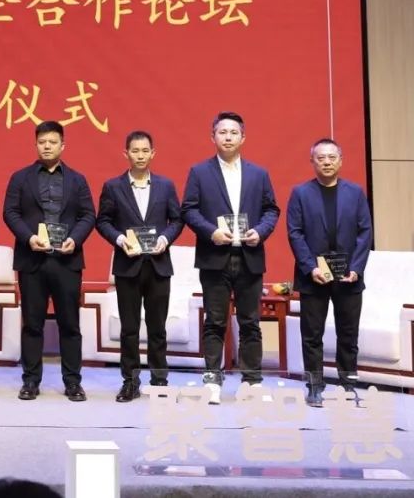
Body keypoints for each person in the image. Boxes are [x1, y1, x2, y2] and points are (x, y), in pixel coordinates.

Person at [181, 110, 280, 404]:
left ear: (243, 138)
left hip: (249, 255)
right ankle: (212, 380)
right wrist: (211, 232)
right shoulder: (199, 172)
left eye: (233, 132)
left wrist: (260, 231)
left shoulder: (258, 174)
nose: (228, 137)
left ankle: (252, 381)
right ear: (212, 137)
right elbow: (189, 210)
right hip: (215, 256)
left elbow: (271, 210)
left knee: (250, 322)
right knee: (214, 321)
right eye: (222, 132)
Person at [4, 120, 96, 402]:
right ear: (36, 145)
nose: (47, 146)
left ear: (62, 145)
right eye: (42, 142)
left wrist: (75, 240)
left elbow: (88, 215)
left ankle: (73, 382)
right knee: (32, 324)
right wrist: (29, 238)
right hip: (32, 259)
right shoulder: (20, 178)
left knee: (70, 325)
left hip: (67, 260)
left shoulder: (77, 179)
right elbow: (10, 213)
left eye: (52, 142)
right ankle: (31, 381)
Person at [96, 130, 184, 402]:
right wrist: (120, 239)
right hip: (128, 265)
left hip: (158, 265)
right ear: (126, 153)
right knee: (129, 329)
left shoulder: (166, 186)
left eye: (145, 150)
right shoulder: (113, 186)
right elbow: (103, 221)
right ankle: (130, 381)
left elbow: (177, 220)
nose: (140, 155)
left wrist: (165, 239)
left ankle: (159, 381)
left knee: (158, 328)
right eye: (135, 151)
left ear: (153, 153)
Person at [286, 138, 372, 407]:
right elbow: (295, 233)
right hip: (313, 276)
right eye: (321, 158)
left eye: (332, 157)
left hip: (349, 277)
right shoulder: (300, 193)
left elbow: (365, 232)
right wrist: (310, 267)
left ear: (340, 161)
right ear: (312, 161)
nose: (326, 162)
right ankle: (314, 386)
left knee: (348, 334)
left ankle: (348, 384)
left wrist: (356, 268)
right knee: (312, 335)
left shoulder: (355, 193)